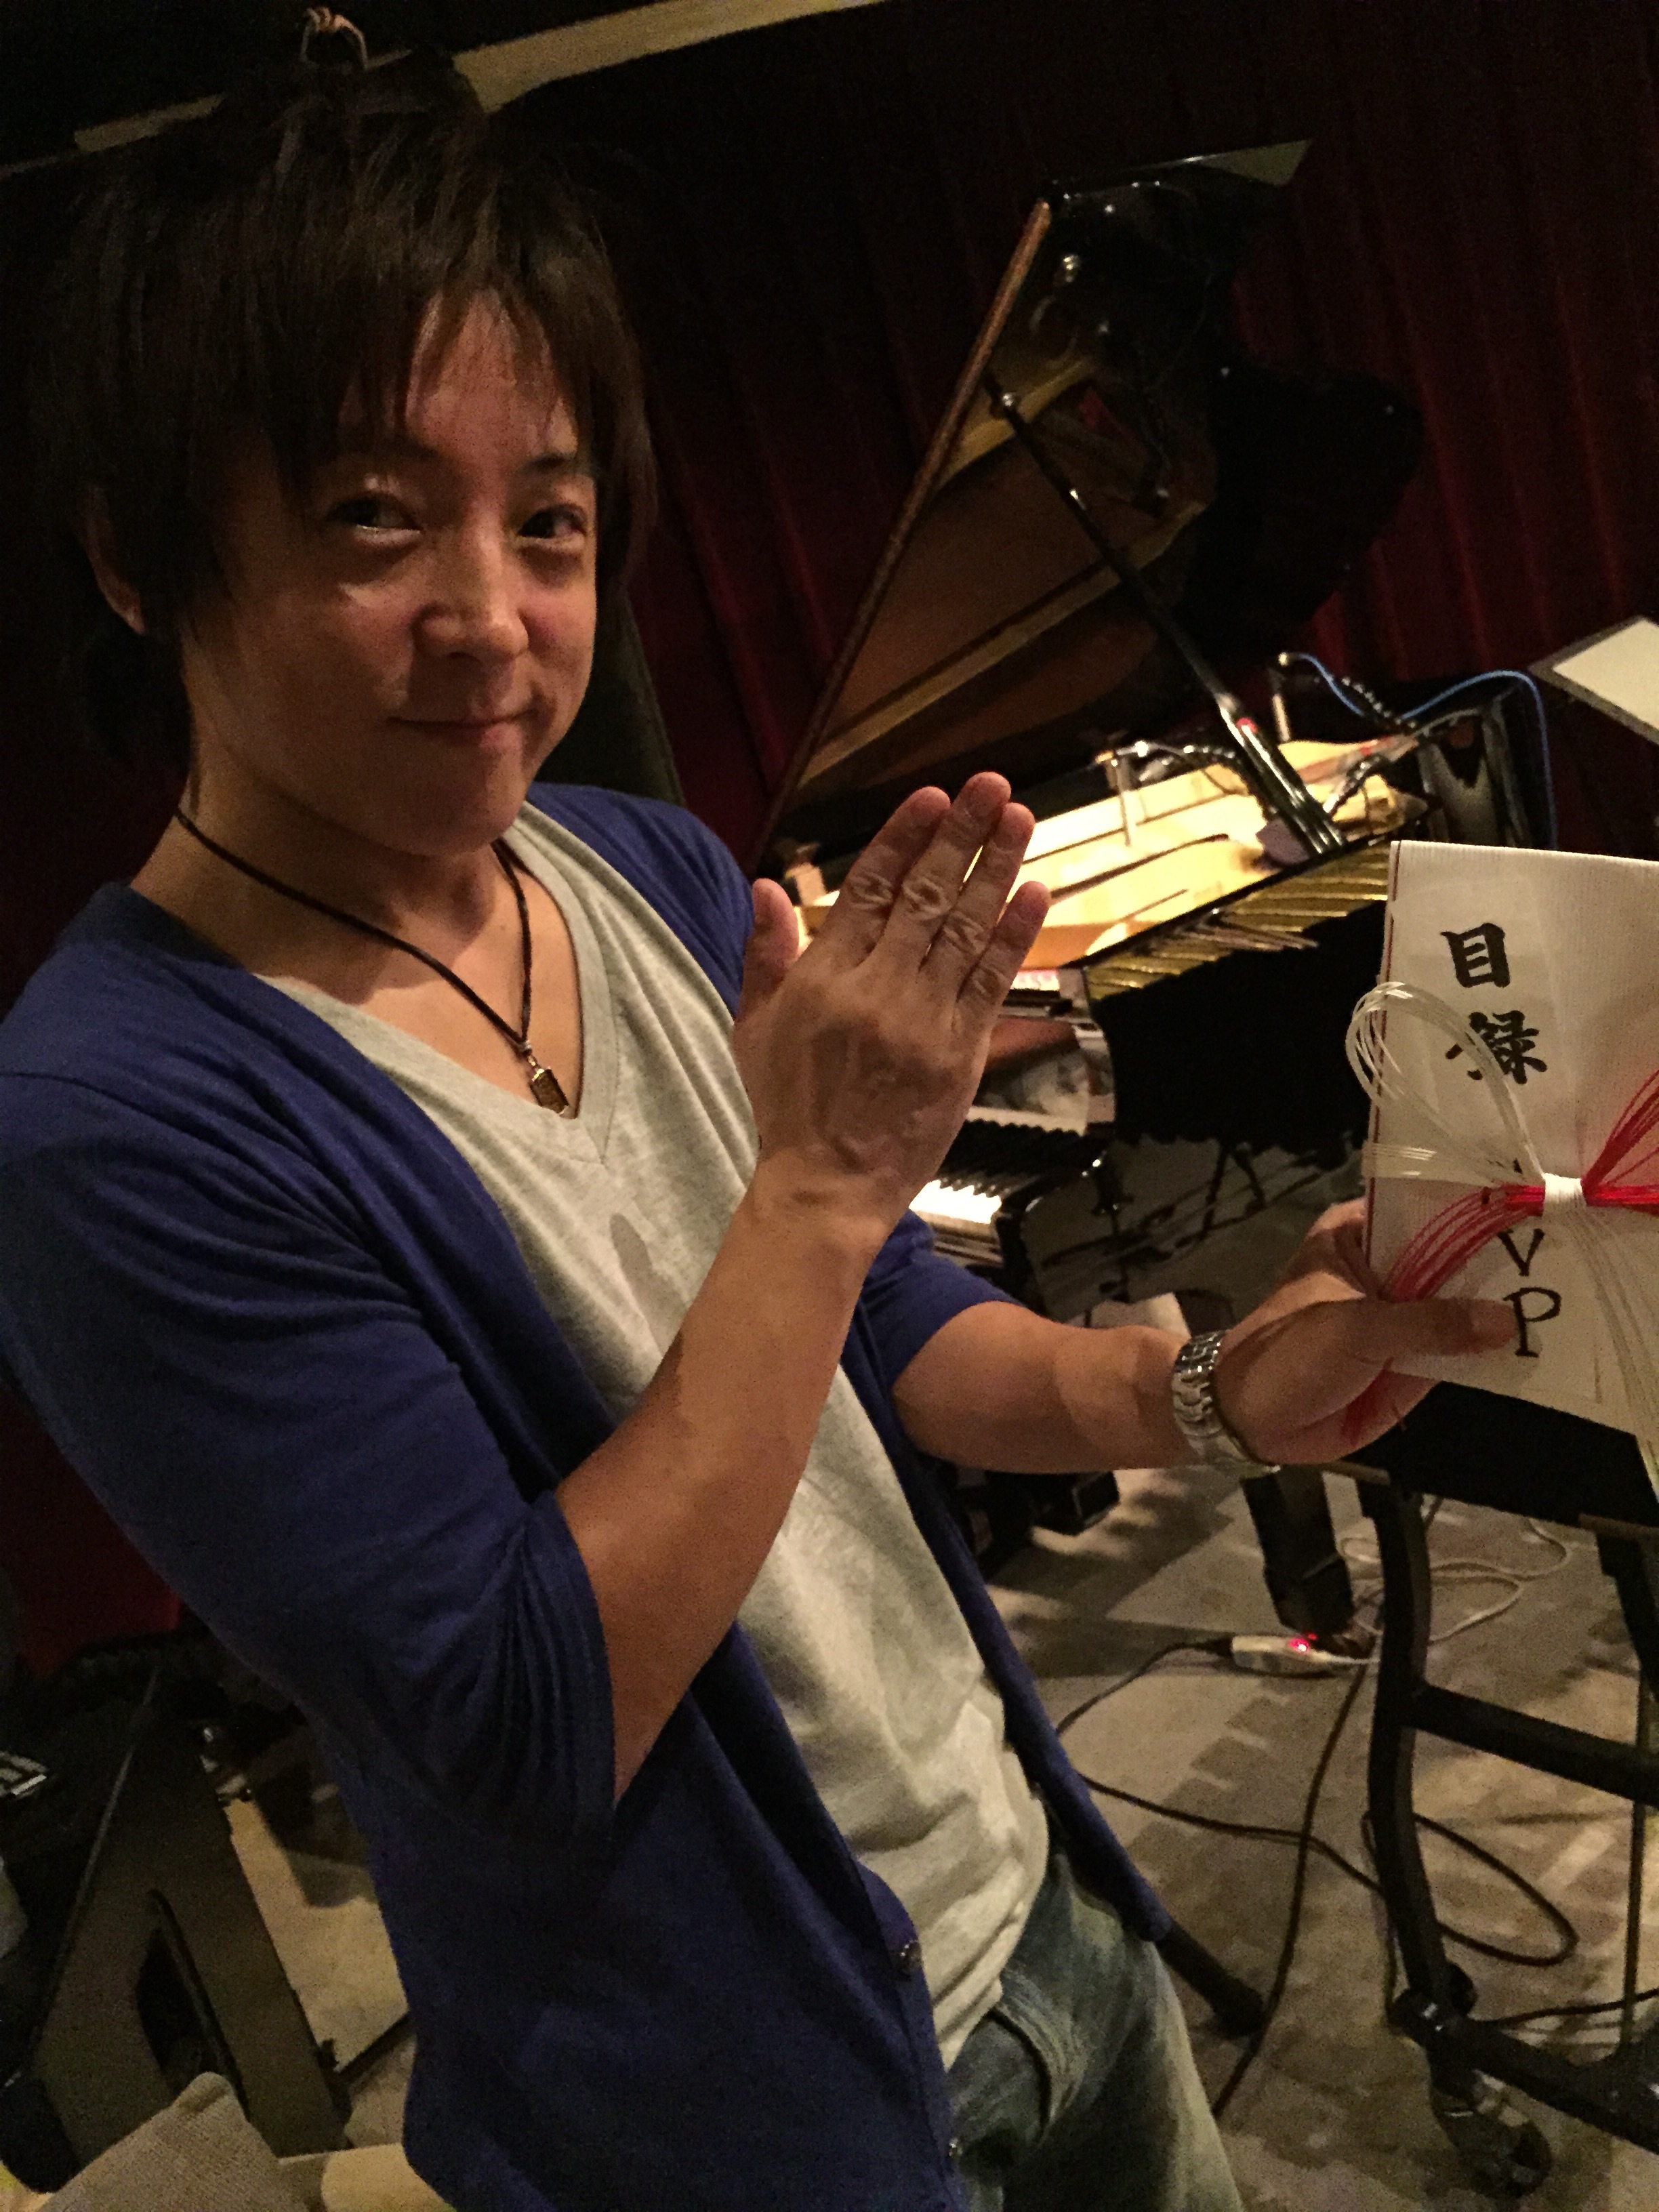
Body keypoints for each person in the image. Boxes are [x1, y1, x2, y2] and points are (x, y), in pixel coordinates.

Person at [0, 44, 1513, 2212]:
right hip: (744, 2118)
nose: (494, 620)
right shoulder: (113, 1122)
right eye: (371, 517)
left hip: (1041, 1913)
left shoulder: (637, 866)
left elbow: (880, 1334)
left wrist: (1201, 1392)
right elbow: (527, 1725)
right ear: (140, 557)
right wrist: (814, 1179)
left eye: (548, 521)